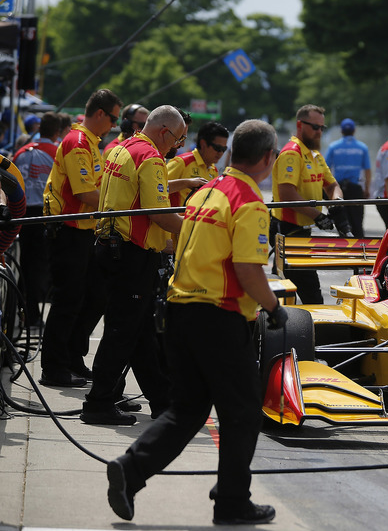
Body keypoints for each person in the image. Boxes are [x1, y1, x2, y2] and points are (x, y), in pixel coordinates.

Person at [105, 119, 287, 526]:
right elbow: (248, 270)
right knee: (243, 413)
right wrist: (274, 308)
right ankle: (232, 501)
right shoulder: (250, 203)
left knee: (186, 410)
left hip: (179, 312)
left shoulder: (206, 192)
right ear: (266, 158)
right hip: (218, 318)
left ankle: (130, 470)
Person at [81, 105, 187, 425]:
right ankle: (99, 402)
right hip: (132, 255)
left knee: (140, 334)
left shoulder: (121, 148)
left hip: (111, 248)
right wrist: (201, 228)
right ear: (163, 131)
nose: (177, 146)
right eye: (178, 139)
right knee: (122, 332)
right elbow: (159, 214)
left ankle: (162, 402)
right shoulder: (151, 158)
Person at [39, 89, 122, 387]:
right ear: (100, 113)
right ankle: (53, 367)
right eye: (113, 118)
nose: (114, 125)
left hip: (85, 231)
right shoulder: (77, 142)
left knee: (93, 297)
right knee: (67, 300)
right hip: (69, 231)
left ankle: (73, 357)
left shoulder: (91, 143)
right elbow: (85, 192)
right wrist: (120, 204)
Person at [270, 104, 346, 304]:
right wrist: (318, 215)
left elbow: (332, 186)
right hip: (286, 230)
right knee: (310, 293)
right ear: (299, 125)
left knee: (296, 289)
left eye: (322, 127)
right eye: (314, 127)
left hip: (303, 231)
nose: (319, 132)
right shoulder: (291, 154)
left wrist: (337, 203)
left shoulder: (315, 155)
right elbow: (287, 194)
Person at [12, 111, 61, 327]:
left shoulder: (21, 152)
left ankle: (20, 313)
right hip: (43, 215)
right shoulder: (57, 152)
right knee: (38, 268)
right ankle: (32, 316)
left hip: (20, 214)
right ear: (57, 132)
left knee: (23, 266)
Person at [324, 118, 371, 238]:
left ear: (341, 131)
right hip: (355, 189)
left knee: (343, 224)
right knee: (357, 223)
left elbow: (325, 168)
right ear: (354, 131)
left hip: (338, 191)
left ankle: (345, 250)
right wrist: (367, 189)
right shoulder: (362, 147)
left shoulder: (334, 147)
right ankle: (361, 251)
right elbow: (367, 170)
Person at [166, 120, 228, 207]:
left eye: (224, 149)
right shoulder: (182, 162)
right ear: (203, 144)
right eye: (217, 148)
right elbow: (157, 187)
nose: (220, 153)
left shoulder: (214, 170)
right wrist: (187, 183)